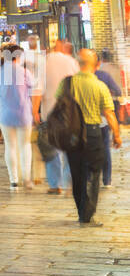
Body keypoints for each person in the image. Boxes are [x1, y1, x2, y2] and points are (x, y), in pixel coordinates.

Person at [57, 49, 122, 226]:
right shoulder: (100, 86)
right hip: (93, 132)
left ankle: (81, 211)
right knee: (93, 173)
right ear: (96, 65)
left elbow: (59, 106)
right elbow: (109, 114)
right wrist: (116, 135)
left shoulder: (67, 83)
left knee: (77, 173)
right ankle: (88, 214)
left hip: (72, 134)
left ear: (78, 63)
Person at [0, 46, 37, 191]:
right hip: (23, 114)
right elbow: (33, 92)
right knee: (25, 145)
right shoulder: (25, 72)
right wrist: (35, 111)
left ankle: (13, 181)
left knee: (10, 146)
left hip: (5, 114)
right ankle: (27, 179)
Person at [42, 40, 78, 194]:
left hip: (49, 110)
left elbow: (38, 89)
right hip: (68, 111)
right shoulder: (72, 62)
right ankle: (69, 182)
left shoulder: (44, 62)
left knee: (51, 147)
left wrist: (35, 111)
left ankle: (54, 184)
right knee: (69, 147)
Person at [95, 50, 123, 188]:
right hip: (105, 115)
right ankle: (107, 180)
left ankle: (89, 177)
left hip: (85, 122)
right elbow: (118, 91)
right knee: (105, 148)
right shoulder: (107, 74)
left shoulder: (78, 78)